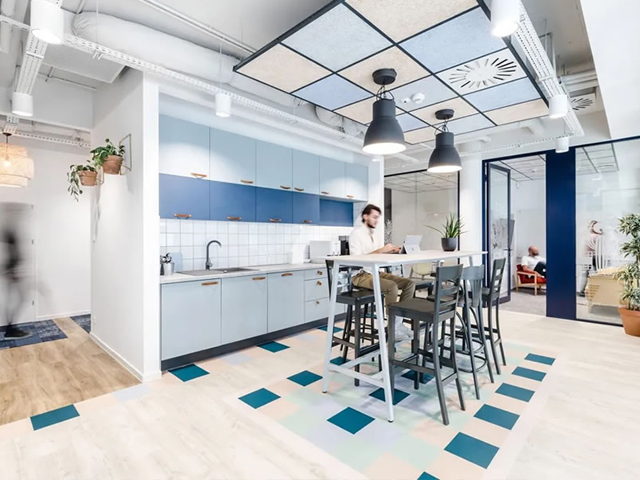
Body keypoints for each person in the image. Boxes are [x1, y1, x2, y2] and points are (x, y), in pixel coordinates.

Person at [349, 204, 415, 341]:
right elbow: (356, 259)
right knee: (391, 287)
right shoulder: (356, 234)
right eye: (374, 217)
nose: (376, 220)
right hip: (360, 275)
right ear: (365, 216)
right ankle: (391, 328)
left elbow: (377, 254)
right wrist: (381, 250)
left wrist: (392, 251)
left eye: (378, 218)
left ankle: (398, 323)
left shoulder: (373, 235)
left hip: (375, 271)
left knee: (409, 284)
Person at [1, 204, 31, 340]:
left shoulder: (11, 230)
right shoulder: (7, 231)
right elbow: (7, 253)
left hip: (13, 269)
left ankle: (11, 328)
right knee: (20, 298)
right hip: (11, 271)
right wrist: (10, 271)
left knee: (17, 298)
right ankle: (10, 329)